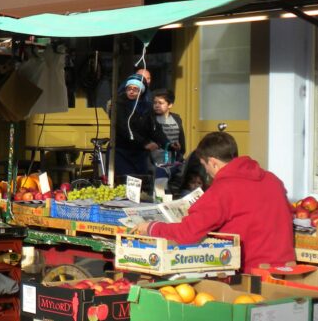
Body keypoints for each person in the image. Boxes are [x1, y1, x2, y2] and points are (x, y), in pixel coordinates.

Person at [132, 131, 295, 272]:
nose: (207, 172)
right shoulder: (272, 180)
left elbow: (187, 233)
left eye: (204, 165)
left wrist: (152, 227)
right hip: (287, 268)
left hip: (250, 273)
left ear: (213, 163)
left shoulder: (224, 189)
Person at [113, 74, 161, 179]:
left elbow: (153, 127)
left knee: (141, 182)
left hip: (140, 154)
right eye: (129, 88)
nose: (131, 91)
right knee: (126, 181)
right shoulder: (119, 105)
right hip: (122, 151)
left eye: (135, 89)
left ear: (142, 91)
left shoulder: (146, 107)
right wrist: (144, 143)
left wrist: (166, 142)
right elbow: (123, 128)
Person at [150, 88, 185, 171]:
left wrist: (180, 152)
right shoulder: (150, 119)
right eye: (155, 103)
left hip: (173, 161)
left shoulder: (176, 118)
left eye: (161, 103)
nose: (157, 105)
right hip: (155, 162)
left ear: (170, 105)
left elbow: (181, 139)